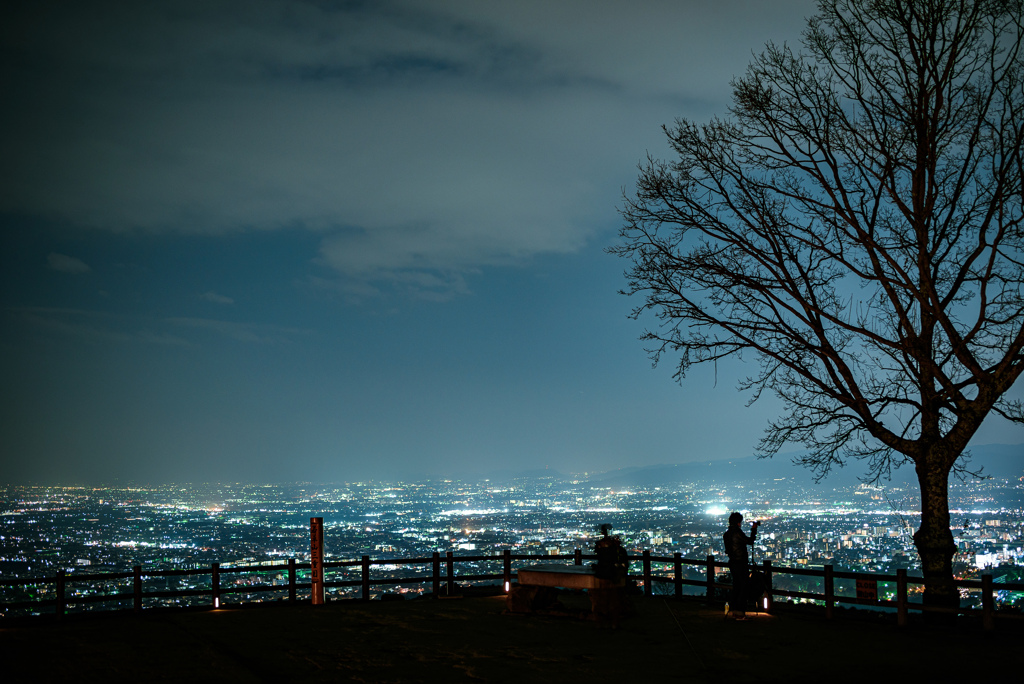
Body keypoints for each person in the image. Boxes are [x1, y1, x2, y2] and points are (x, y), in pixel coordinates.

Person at [723, 511, 759, 619]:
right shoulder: (737, 532)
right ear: (739, 522)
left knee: (736, 586)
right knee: (743, 587)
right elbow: (750, 541)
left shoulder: (727, 534)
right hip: (740, 563)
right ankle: (740, 612)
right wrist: (754, 529)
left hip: (732, 562)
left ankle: (733, 610)